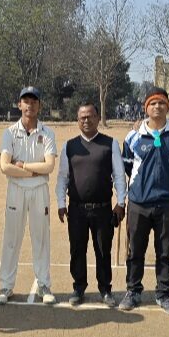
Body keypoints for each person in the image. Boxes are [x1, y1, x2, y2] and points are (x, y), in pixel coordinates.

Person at [120, 87, 169, 314]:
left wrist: (168, 184)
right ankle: (133, 291)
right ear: (145, 108)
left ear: (168, 106)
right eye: (152, 103)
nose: (157, 107)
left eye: (161, 103)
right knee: (135, 250)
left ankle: (163, 294)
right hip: (139, 203)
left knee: (165, 252)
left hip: (167, 204)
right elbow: (127, 167)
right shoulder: (133, 136)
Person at [55, 102, 127, 307]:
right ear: (77, 120)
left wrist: (121, 202)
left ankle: (105, 289)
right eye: (82, 117)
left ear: (97, 118)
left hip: (103, 209)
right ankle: (79, 287)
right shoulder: (69, 146)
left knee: (103, 251)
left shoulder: (110, 144)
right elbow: (62, 177)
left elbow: (119, 175)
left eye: (90, 116)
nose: (86, 120)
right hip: (76, 210)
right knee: (77, 250)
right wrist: (61, 203)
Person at [0, 86, 57, 305]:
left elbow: (49, 166)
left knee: (41, 238)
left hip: (39, 190)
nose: (29, 105)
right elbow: (4, 166)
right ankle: (6, 285)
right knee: (11, 237)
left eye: (34, 101)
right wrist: (33, 171)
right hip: (16, 189)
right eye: (26, 101)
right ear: (19, 104)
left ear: (39, 105)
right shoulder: (9, 132)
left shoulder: (47, 133)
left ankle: (44, 284)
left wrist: (22, 166)